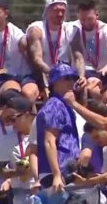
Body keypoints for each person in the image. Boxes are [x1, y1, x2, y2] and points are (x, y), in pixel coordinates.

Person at [35, 63, 82, 199]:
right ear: (54, 81)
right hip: (56, 172)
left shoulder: (64, 104)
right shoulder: (54, 105)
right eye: (66, 78)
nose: (71, 81)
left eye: (73, 78)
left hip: (65, 170)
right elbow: (49, 141)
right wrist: (56, 175)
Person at [27, 0, 85, 97]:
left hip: (65, 73)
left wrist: (82, 76)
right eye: (56, 10)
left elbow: (78, 57)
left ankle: (79, 113)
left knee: (83, 88)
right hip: (43, 73)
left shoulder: (71, 29)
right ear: (48, 10)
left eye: (63, 11)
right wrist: (54, 73)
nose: (60, 14)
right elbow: (37, 59)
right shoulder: (36, 29)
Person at [70, 0, 107, 99]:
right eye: (83, 19)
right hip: (86, 71)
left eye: (90, 19)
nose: (86, 22)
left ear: (97, 15)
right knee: (94, 87)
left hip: (105, 71)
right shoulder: (73, 28)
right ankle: (102, 111)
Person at [0, 95, 37, 203]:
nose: (10, 123)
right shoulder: (7, 139)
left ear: (27, 115)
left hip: (46, 191)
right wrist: (18, 172)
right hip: (21, 196)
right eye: (6, 119)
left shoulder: (44, 132)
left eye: (13, 118)